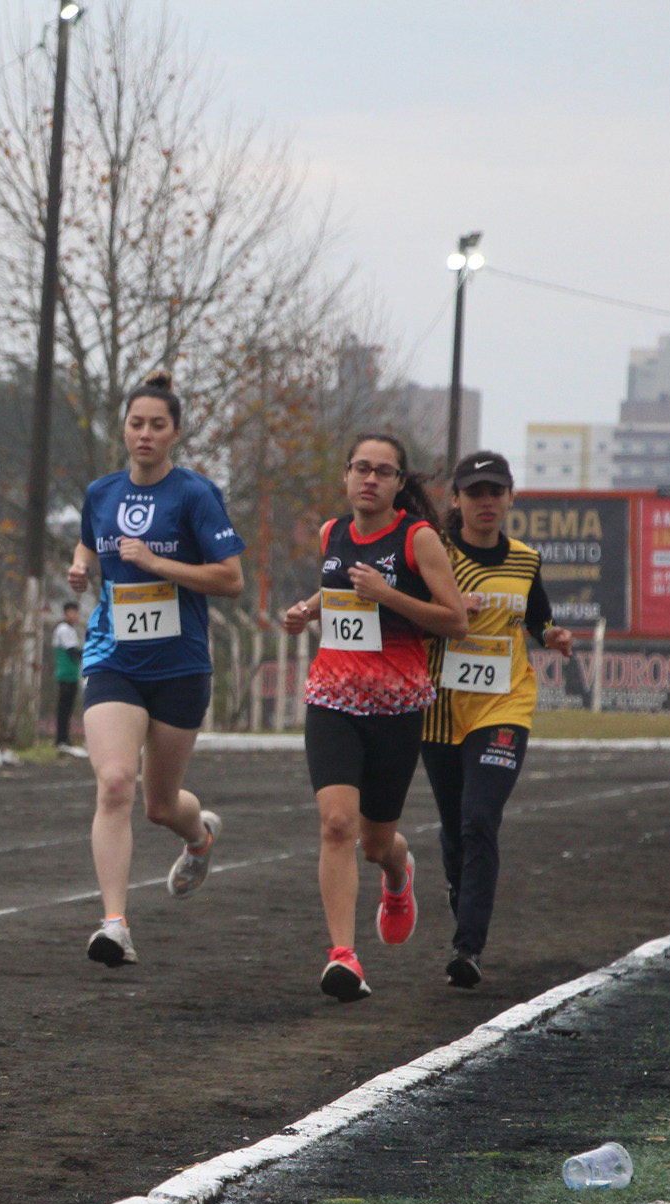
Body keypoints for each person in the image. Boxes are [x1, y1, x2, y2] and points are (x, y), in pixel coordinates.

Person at [66, 371, 246, 968]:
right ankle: (114, 924)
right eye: (136, 423)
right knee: (115, 782)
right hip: (114, 656)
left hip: (180, 665)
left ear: (175, 433)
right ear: (123, 428)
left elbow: (230, 579)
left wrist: (160, 564)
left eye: (157, 425)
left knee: (160, 804)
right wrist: (78, 565)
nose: (145, 434)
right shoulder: (102, 491)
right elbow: (93, 544)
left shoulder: (195, 495)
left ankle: (199, 837)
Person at [282, 434, 467, 1002]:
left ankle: (398, 871)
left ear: (399, 484)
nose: (370, 479)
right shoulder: (332, 533)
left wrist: (389, 594)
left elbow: (454, 621)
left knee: (374, 841)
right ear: (346, 475)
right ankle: (344, 955)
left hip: (396, 706)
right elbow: (337, 588)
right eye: (361, 468)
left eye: (383, 472)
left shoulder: (418, 539)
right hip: (332, 699)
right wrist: (306, 609)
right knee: (337, 823)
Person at [420, 452, 574, 987]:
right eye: (475, 492)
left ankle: (468, 948)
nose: (486, 502)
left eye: (495, 492)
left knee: (479, 816)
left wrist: (552, 634)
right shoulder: (435, 554)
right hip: (440, 710)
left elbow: (538, 617)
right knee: (454, 826)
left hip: (504, 703)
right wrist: (450, 608)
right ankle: (461, 894)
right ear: (456, 500)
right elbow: (410, 616)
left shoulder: (525, 561)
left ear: (510, 498)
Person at [53, 600, 84, 751]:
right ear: (67, 612)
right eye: (74, 612)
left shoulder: (70, 630)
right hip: (65, 674)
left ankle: (65, 738)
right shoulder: (64, 629)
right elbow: (72, 652)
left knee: (68, 708)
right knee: (64, 708)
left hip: (71, 674)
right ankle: (61, 739)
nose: (77, 615)